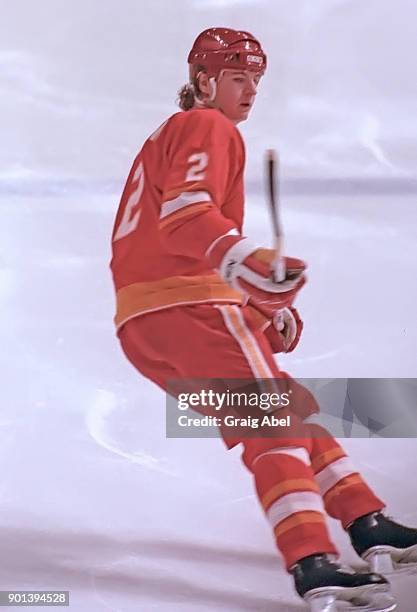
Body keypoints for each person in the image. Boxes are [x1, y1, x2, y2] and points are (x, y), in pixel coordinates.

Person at [110, 27, 417, 610]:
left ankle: (366, 522)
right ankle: (314, 563)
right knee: (275, 421)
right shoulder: (206, 125)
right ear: (204, 81)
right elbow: (186, 214)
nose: (250, 91)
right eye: (236, 77)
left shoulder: (172, 135)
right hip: (188, 308)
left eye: (256, 79)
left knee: (290, 405)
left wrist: (256, 302)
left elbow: (168, 234)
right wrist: (246, 262)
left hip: (145, 322)